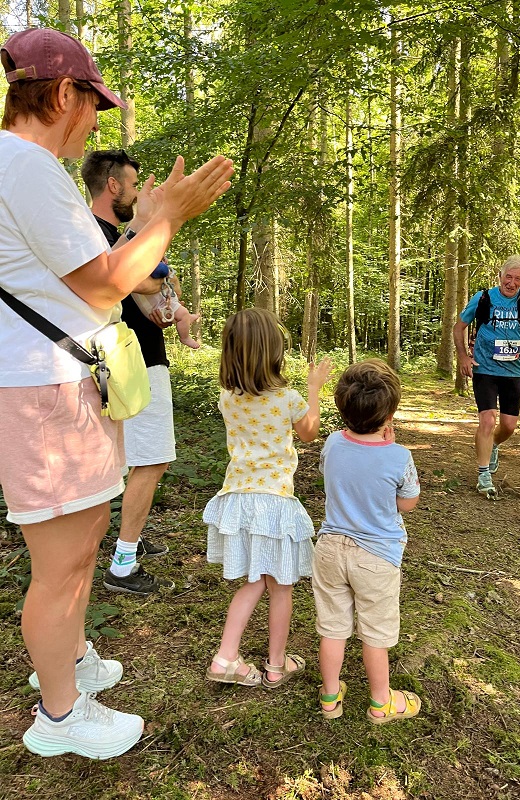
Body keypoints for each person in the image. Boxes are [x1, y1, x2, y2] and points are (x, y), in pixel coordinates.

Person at [0, 27, 233, 759]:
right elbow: (106, 285)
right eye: (93, 105)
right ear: (63, 93)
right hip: (46, 391)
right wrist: (169, 218)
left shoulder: (24, 167)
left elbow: (87, 278)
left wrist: (153, 218)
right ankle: (60, 715)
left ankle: (69, 662)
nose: (96, 122)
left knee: (81, 544)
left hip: (57, 385)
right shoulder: (26, 165)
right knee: (61, 564)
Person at [203, 309, 332, 688]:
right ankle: (270, 664)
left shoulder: (227, 398)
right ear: (274, 352)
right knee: (279, 586)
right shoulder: (287, 398)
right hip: (273, 502)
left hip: (238, 498)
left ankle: (231, 657)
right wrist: (314, 388)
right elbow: (309, 432)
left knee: (255, 581)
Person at [81, 149, 182, 596]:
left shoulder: (104, 234)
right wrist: (151, 229)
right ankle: (122, 564)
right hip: (130, 363)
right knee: (152, 459)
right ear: (113, 185)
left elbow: (155, 278)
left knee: (134, 458)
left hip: (131, 360)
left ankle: (130, 540)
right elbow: (145, 279)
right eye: (134, 185)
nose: (138, 193)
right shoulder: (96, 234)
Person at [312, 359, 422, 724]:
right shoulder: (399, 456)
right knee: (375, 633)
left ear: (342, 408)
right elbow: (407, 503)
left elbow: (334, 474)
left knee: (332, 627)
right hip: (376, 556)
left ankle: (330, 698)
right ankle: (380, 702)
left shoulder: (332, 443)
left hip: (329, 549)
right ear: (389, 414)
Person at [453, 255, 520, 497]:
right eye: (508, 277)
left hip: (513, 372)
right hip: (484, 369)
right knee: (487, 420)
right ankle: (483, 474)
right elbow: (458, 327)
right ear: (500, 276)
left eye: (518, 278)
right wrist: (463, 357)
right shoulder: (483, 298)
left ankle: (494, 444)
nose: (512, 283)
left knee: (508, 426)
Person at [132, 260, 200, 350]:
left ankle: (186, 319)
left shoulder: (130, 265)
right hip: (157, 306)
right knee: (183, 314)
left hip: (158, 302)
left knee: (182, 314)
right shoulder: (139, 265)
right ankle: (185, 337)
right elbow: (161, 270)